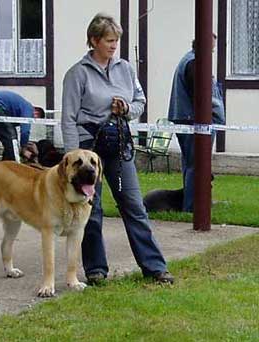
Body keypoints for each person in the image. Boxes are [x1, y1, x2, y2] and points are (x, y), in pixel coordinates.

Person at [61, 13, 174, 285]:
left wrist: (126, 108)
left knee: (133, 204)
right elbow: (68, 118)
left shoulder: (125, 68)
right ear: (94, 40)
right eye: (109, 40)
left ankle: (155, 267)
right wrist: (70, 160)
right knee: (92, 208)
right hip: (88, 148)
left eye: (116, 41)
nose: (114, 46)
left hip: (118, 146)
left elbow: (139, 101)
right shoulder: (77, 73)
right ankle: (96, 270)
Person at [168, 34, 226, 212]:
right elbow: (201, 96)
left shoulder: (189, 60)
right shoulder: (195, 64)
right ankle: (192, 208)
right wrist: (212, 117)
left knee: (191, 164)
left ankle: (191, 203)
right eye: (211, 49)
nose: (212, 52)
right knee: (197, 165)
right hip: (195, 122)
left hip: (186, 119)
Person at [0, 90, 45, 166]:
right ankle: (10, 167)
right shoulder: (28, 108)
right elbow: (25, 131)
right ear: (37, 112)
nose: (33, 120)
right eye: (35, 118)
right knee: (11, 137)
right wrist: (24, 147)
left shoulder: (17, 108)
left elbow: (8, 126)